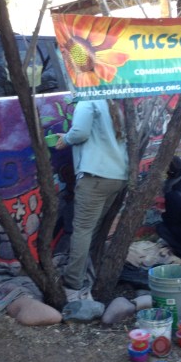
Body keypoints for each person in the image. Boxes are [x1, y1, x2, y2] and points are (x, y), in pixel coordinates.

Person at [54, 99, 129, 301]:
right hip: (117, 176)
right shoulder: (111, 102)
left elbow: (80, 132)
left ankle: (73, 282)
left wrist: (66, 139)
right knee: (93, 228)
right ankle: (88, 270)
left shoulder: (87, 101)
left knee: (82, 230)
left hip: (95, 176)